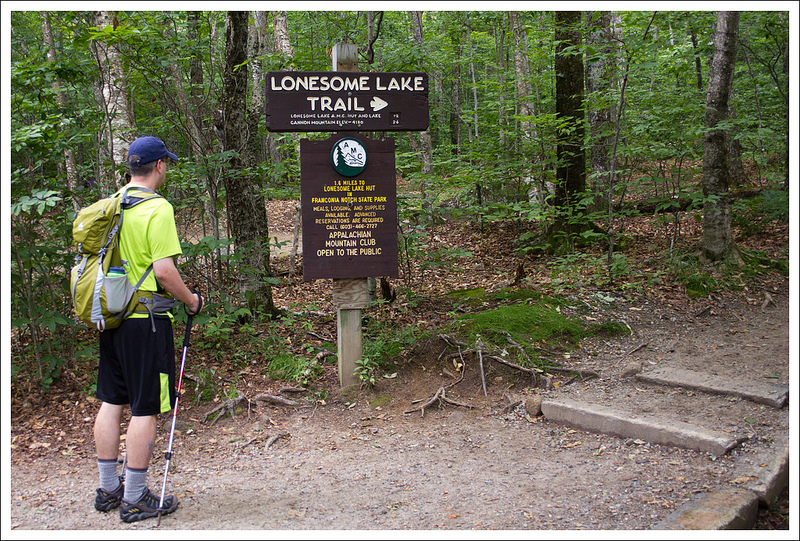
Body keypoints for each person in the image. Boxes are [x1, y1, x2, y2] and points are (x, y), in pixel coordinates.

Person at [92, 136, 203, 523]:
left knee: (112, 400)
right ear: (159, 166)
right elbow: (164, 271)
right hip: (147, 322)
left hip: (112, 316)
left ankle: (109, 489)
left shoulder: (113, 204)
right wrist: (191, 301)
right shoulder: (157, 208)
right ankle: (136, 497)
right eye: (165, 163)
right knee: (146, 407)